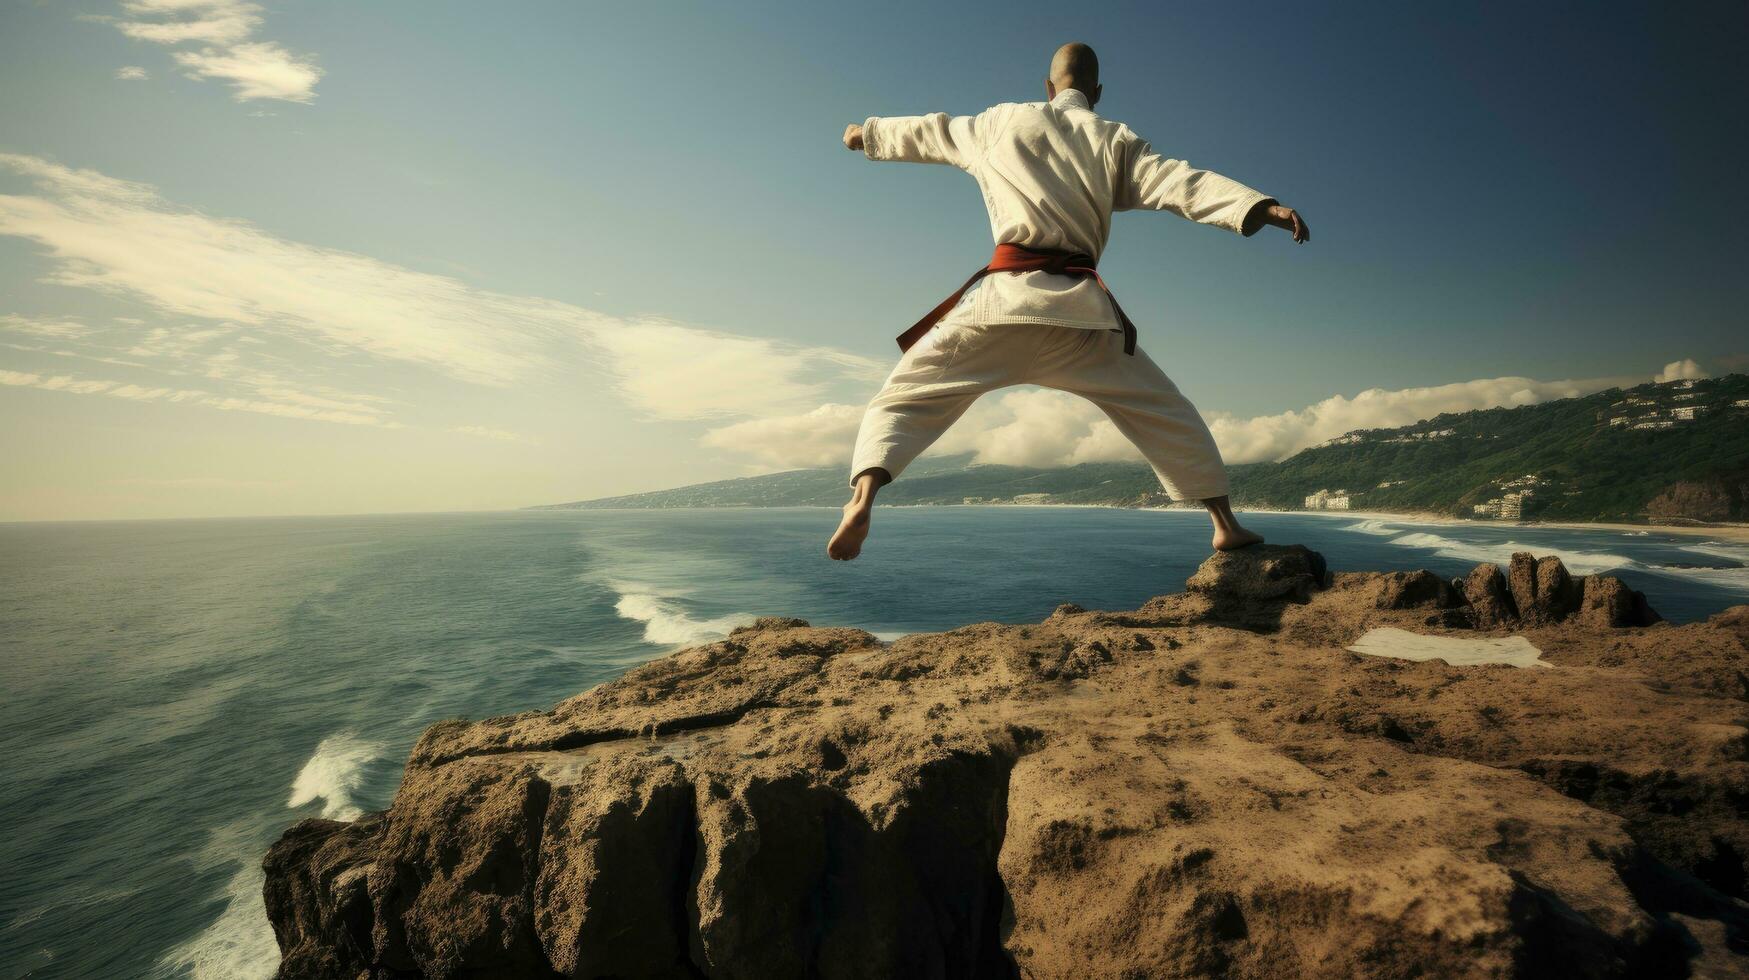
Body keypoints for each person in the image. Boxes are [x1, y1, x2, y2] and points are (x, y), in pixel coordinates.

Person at [828, 42, 1308, 561]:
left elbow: (931, 130)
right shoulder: (1113, 140)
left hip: (998, 308)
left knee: (905, 396)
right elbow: (1179, 182)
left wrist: (865, 134)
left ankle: (863, 498)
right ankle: (1225, 524)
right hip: (1080, 320)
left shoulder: (1000, 121)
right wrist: (1258, 206)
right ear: (1097, 93)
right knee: (1164, 410)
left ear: (1047, 87)